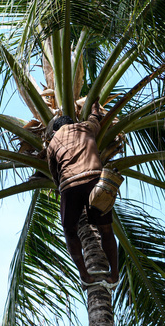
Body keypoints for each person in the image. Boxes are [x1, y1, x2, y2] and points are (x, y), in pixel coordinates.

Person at [45, 109, 119, 289]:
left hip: (70, 186)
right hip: (95, 180)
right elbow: (96, 121)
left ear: (55, 130)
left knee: (70, 231)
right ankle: (114, 276)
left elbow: (54, 172)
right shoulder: (85, 127)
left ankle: (85, 276)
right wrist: (94, 110)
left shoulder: (53, 141)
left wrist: (59, 185)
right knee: (106, 230)